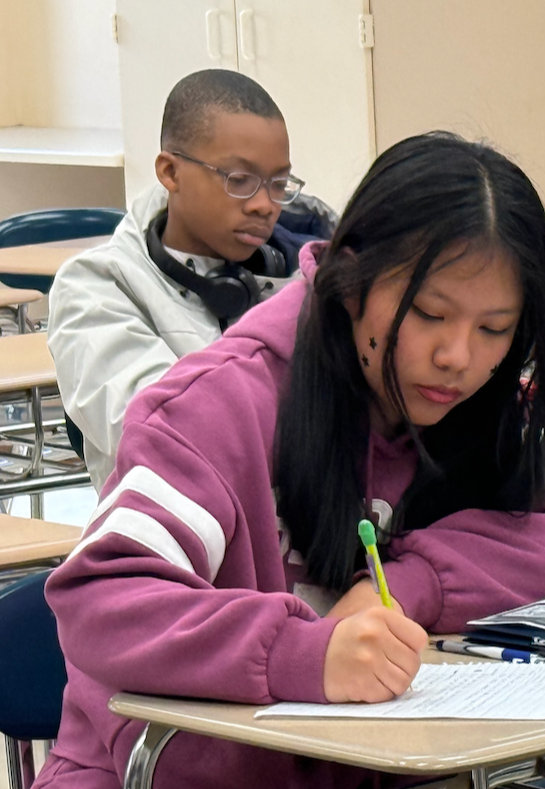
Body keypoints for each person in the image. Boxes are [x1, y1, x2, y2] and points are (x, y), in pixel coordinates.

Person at [35, 132, 545, 789]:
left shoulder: (485, 405)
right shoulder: (222, 404)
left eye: (494, 328)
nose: (458, 356)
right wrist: (301, 653)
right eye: (430, 313)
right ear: (351, 283)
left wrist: (402, 587)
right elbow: (99, 599)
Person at [48, 68, 337, 490]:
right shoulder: (97, 288)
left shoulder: (316, 279)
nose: (264, 205)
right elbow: (170, 440)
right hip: (174, 542)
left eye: (278, 184)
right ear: (170, 172)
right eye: (239, 180)